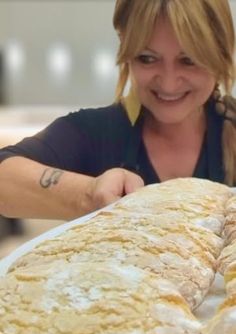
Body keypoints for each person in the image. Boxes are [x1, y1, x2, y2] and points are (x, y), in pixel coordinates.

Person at [0, 0, 235, 221]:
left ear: (220, 54)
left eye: (189, 60)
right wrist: (88, 194)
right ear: (125, 48)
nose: (168, 83)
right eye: (147, 58)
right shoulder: (95, 132)